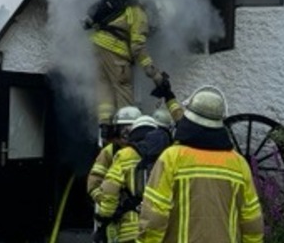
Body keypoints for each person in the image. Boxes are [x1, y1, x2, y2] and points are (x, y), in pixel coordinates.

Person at [137, 86, 264, 243]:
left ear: (189, 120)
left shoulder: (172, 158)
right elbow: (252, 223)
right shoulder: (238, 164)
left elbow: (154, 217)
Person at [85, 0, 169, 138]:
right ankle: (128, 134)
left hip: (97, 48)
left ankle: (105, 127)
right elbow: (138, 47)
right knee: (123, 88)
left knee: (105, 89)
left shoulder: (125, 8)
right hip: (115, 50)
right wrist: (154, 74)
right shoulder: (140, 14)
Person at [96, 115, 167, 243]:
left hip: (131, 230)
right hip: (160, 232)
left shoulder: (125, 155)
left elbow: (110, 190)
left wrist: (104, 217)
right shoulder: (168, 156)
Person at [88, 106, 142, 203]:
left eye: (130, 129)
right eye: (122, 129)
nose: (126, 134)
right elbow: (94, 182)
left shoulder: (146, 150)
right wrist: (104, 201)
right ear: (116, 130)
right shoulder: (109, 151)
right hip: (117, 214)